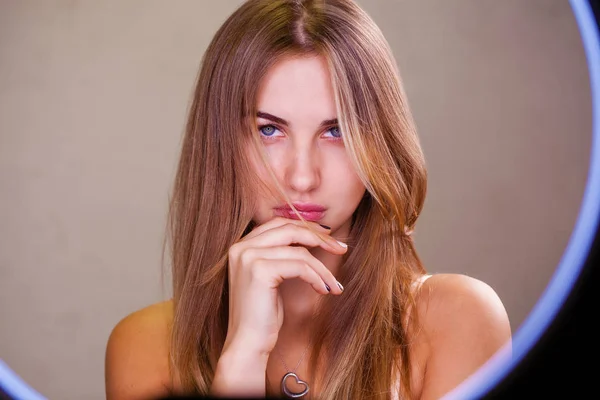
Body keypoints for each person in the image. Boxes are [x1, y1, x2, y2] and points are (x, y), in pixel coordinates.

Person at [104, 0, 512, 399]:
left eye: (336, 131)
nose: (302, 178)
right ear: (220, 145)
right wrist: (242, 359)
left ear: (380, 143)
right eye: (269, 131)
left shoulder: (459, 321)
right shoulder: (145, 347)